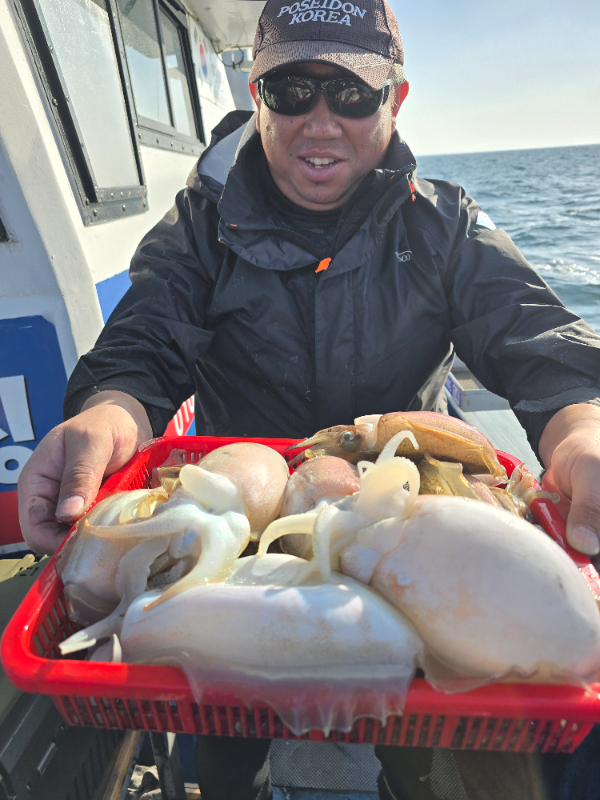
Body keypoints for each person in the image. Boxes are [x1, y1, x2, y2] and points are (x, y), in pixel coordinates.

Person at [18, 0, 600, 797]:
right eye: (292, 89)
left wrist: (581, 432)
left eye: (352, 92)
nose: (320, 121)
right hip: (241, 526)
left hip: (408, 530)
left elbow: (538, 341)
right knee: (224, 747)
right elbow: (143, 343)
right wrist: (106, 414)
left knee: (418, 745)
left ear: (395, 99)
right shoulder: (198, 228)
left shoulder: (445, 225)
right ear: (256, 94)